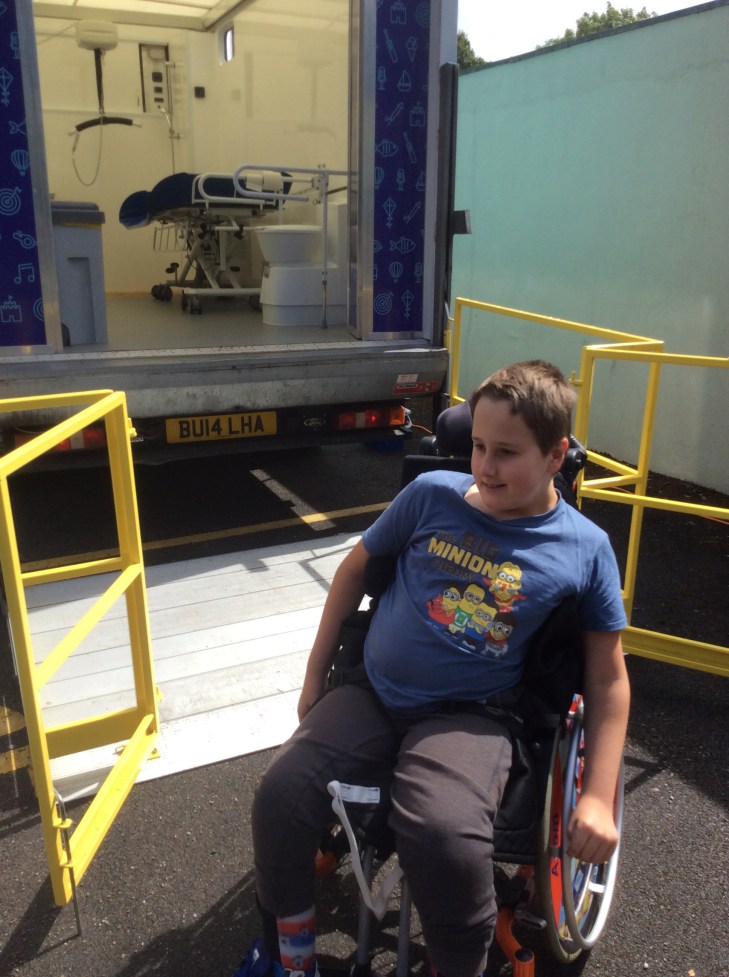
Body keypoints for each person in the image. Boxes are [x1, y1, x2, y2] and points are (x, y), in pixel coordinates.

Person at [242, 360, 630, 977]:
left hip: (471, 716)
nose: (483, 466)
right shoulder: (431, 495)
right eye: (477, 445)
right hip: (372, 692)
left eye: (506, 452)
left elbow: (608, 678)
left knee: (445, 838)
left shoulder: (583, 548)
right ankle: (289, 959)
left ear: (556, 455)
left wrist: (601, 800)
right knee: (281, 795)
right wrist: (314, 678)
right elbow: (351, 572)